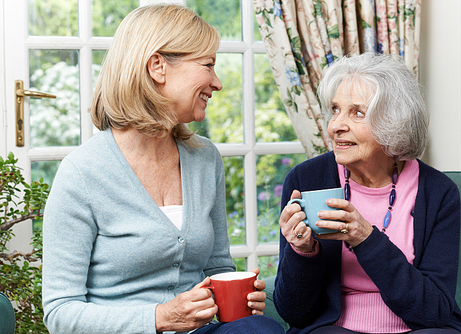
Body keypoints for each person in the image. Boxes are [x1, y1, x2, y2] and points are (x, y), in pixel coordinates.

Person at [42, 4, 284, 334]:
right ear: (158, 66)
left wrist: (240, 298)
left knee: (262, 329)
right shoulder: (82, 173)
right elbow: (60, 313)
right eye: (208, 65)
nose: (217, 82)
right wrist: (158, 318)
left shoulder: (204, 159)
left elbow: (218, 267)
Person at [275, 53, 461, 334]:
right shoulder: (306, 180)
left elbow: (434, 311)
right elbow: (295, 313)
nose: (335, 126)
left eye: (357, 112)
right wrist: (302, 251)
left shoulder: (438, 193)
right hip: (335, 328)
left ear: (395, 123)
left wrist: (365, 238)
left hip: (419, 328)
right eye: (335, 110)